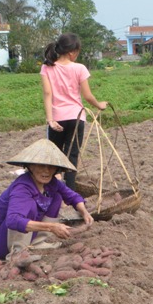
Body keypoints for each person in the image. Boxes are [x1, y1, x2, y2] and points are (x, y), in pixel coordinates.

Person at [0, 139, 94, 260]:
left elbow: (73, 196)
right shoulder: (22, 188)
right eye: (41, 165)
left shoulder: (52, 183)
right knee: (30, 204)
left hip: (23, 235)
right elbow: (13, 220)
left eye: (51, 166)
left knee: (56, 197)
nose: (46, 171)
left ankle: (37, 243)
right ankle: (18, 252)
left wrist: (84, 212)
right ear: (30, 166)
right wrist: (52, 227)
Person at [40, 33, 107, 190]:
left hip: (57, 118)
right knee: (72, 156)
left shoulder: (47, 67)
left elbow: (47, 94)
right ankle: (68, 193)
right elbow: (88, 96)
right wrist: (99, 105)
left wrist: (50, 120)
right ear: (72, 52)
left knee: (53, 157)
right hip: (76, 117)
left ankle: (53, 190)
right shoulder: (80, 68)